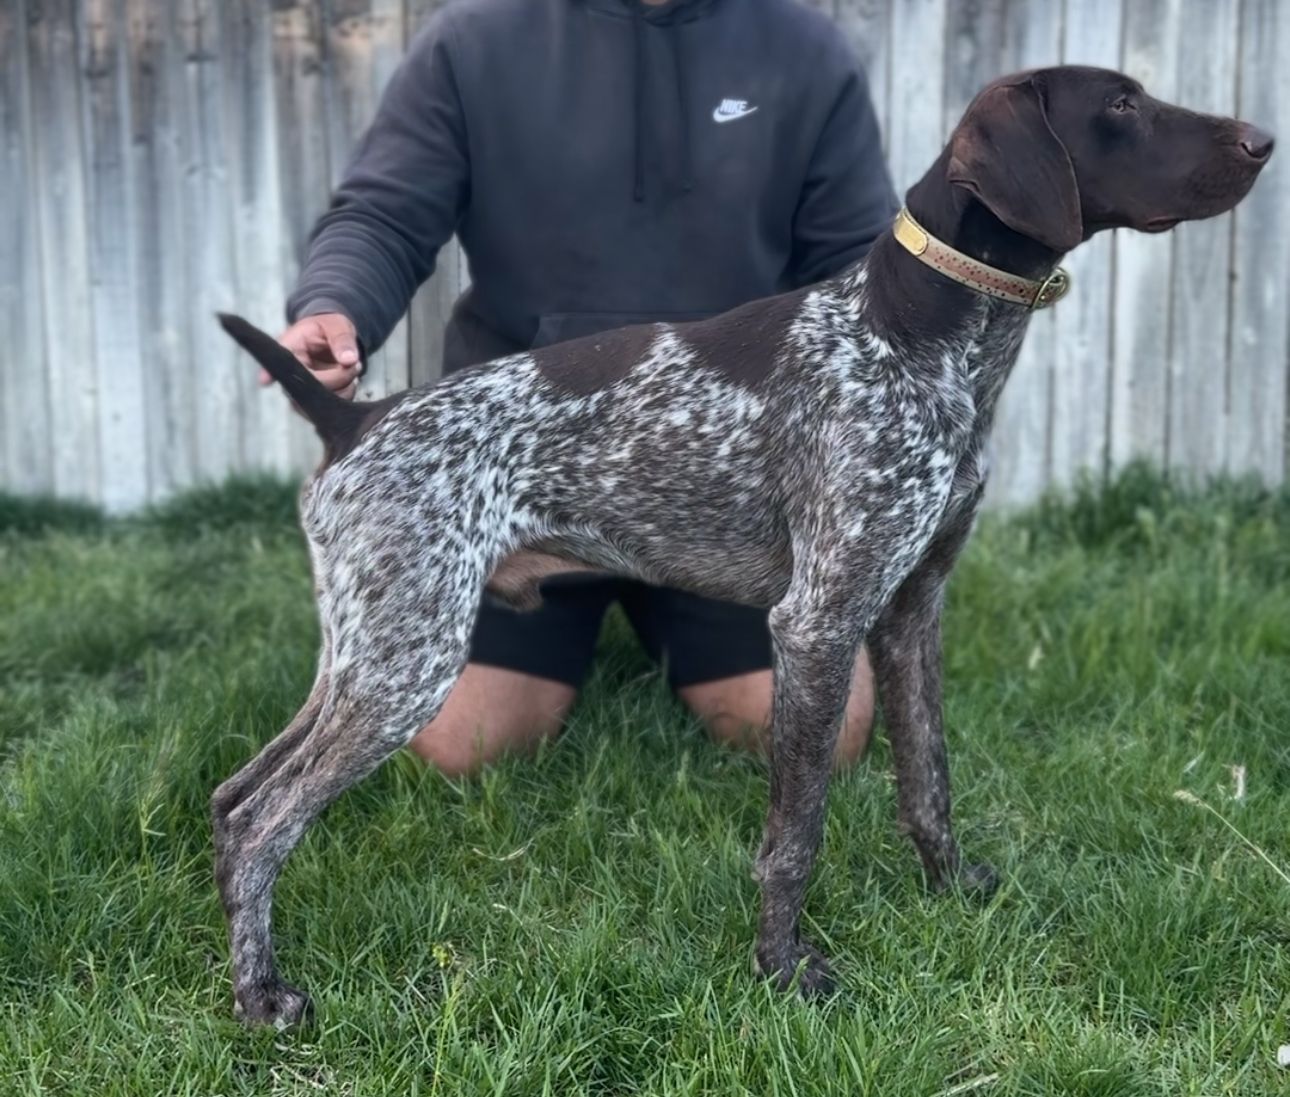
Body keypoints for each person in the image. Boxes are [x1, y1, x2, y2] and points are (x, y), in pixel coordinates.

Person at [274, 0, 898, 776]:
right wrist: (336, 307)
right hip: (518, 471)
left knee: (823, 736)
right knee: (458, 747)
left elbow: (858, 265)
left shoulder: (804, 49)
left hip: (726, 480)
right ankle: (557, 626)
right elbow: (385, 211)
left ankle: (676, 620)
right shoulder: (475, 39)